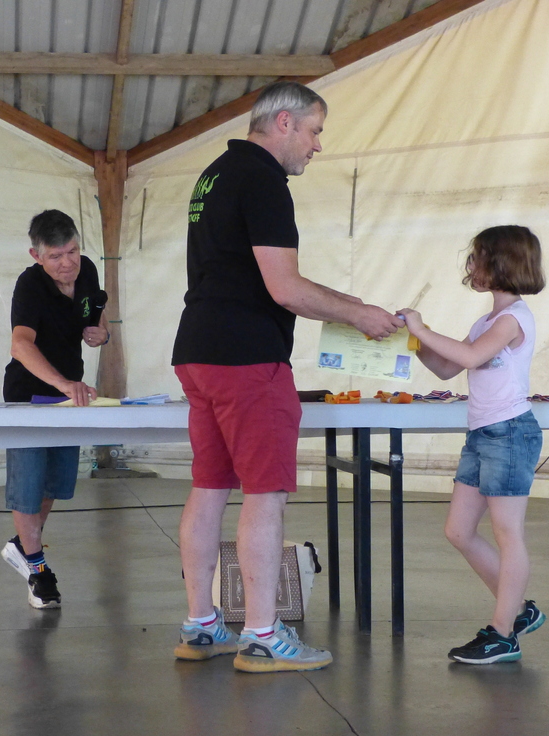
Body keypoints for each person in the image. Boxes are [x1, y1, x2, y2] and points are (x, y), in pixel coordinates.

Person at [170, 81, 404, 673]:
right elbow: (286, 287)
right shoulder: (263, 180)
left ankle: (202, 624)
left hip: (198, 350)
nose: (317, 145)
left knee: (209, 486)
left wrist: (349, 307)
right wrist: (359, 314)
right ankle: (261, 635)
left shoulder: (215, 174)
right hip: (247, 357)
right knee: (265, 492)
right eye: (314, 131)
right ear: (284, 122)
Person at [399, 225, 547, 664]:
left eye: (476, 256)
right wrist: (414, 338)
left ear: (501, 263)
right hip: (483, 434)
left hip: (510, 432)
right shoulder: (486, 322)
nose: (470, 265)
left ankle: (503, 634)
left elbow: (469, 357)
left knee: (507, 532)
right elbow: (447, 368)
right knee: (458, 531)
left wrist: (421, 327)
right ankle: (518, 611)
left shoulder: (512, 319)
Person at [0, 209, 109, 609]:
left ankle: (23, 545)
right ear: (36, 255)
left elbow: (96, 313)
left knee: (56, 484)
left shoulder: (88, 271)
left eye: (73, 252)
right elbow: (20, 344)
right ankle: (38, 569)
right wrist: (62, 383)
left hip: (69, 397)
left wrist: (102, 333)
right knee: (28, 487)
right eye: (56, 256)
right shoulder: (29, 286)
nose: (67, 263)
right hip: (29, 395)